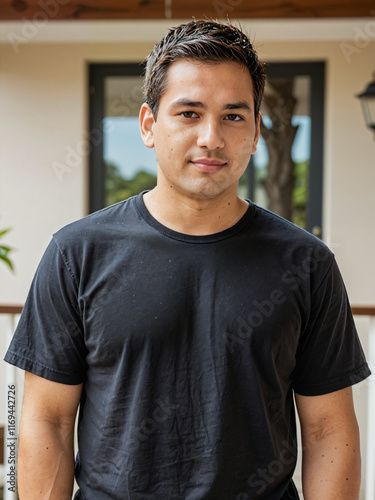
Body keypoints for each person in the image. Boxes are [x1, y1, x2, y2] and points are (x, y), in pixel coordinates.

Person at [5, 19, 371, 500]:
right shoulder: (76, 254)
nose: (211, 138)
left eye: (234, 116)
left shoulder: (307, 263)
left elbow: (329, 431)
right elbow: (45, 421)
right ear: (149, 125)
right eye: (189, 113)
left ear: (257, 132)